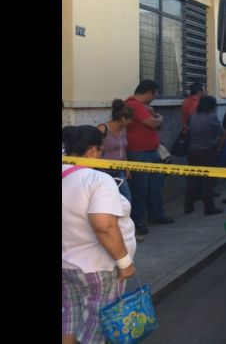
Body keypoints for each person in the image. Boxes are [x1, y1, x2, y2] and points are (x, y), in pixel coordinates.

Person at [62, 125, 136, 344]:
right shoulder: (96, 180)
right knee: (97, 325)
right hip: (99, 267)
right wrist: (125, 263)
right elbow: (103, 225)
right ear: (93, 150)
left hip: (67, 264)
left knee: (70, 316)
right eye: (102, 151)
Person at [125, 80, 174, 237]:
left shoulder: (141, 106)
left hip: (151, 152)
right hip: (139, 153)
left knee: (155, 185)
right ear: (149, 92)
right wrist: (159, 117)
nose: (155, 98)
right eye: (155, 94)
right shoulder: (134, 105)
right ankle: (138, 221)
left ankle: (156, 214)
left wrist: (154, 115)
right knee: (140, 188)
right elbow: (154, 123)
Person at [185, 95, 224, 215]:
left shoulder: (193, 117)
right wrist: (218, 146)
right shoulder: (212, 118)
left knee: (192, 179)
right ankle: (209, 207)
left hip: (193, 150)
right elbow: (221, 132)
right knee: (207, 181)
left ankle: (188, 205)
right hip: (207, 150)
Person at [97, 99, 134, 204]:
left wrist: (127, 167)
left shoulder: (123, 129)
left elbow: (123, 149)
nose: (132, 122)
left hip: (119, 171)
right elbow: (94, 149)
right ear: (123, 118)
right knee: (107, 200)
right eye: (130, 119)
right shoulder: (103, 129)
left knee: (126, 199)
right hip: (104, 171)